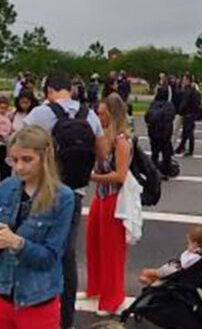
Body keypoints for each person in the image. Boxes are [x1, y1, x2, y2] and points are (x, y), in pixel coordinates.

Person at [21, 72, 106, 329]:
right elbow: (102, 154)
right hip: (75, 192)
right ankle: (66, 319)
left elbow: (21, 147)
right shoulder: (89, 115)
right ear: (71, 89)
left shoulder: (39, 114)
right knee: (66, 255)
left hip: (42, 190)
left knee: (33, 247)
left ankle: (34, 310)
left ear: (49, 90)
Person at [0, 126, 74, 329]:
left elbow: (50, 257)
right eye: (14, 160)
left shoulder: (62, 197)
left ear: (45, 158)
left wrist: (17, 243)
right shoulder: (5, 188)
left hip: (38, 298)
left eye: (27, 160)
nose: (19, 167)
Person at [87, 94, 133, 315]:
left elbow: (120, 176)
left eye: (103, 114)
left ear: (113, 115)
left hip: (114, 198)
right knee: (94, 244)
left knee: (112, 251)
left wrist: (92, 177)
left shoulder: (121, 141)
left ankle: (113, 297)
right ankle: (96, 287)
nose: (99, 117)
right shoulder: (103, 137)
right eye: (98, 113)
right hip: (100, 196)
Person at [138, 226, 202, 287]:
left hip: (174, 271)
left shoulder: (195, 257)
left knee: (146, 273)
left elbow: (184, 263)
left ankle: (153, 285)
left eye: (189, 243)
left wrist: (189, 252)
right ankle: (155, 284)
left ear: (195, 243)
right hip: (175, 271)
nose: (187, 245)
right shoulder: (200, 256)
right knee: (150, 275)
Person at [175, 75, 202, 157]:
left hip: (188, 113)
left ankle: (190, 149)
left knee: (189, 132)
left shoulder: (188, 90)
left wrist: (179, 110)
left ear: (188, 81)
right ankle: (181, 147)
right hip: (192, 113)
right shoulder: (193, 89)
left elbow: (185, 102)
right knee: (185, 132)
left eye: (184, 80)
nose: (183, 81)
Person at [0, 96, 15, 181]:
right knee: (3, 170)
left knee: (9, 169)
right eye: (1, 108)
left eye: (5, 108)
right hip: (3, 140)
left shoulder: (7, 115)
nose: (3, 110)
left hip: (9, 139)